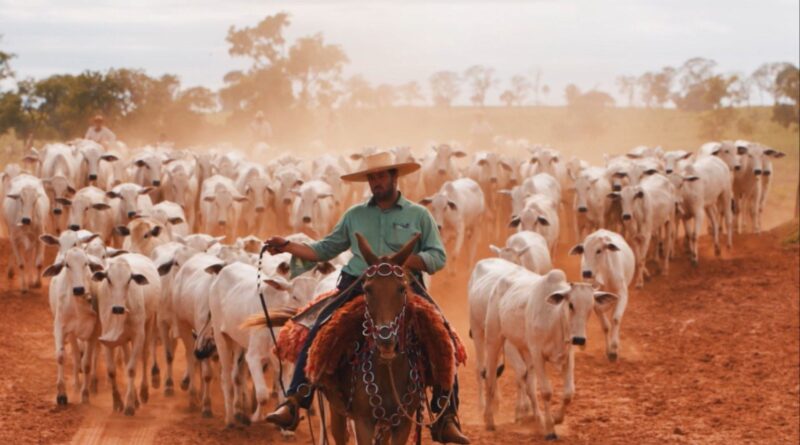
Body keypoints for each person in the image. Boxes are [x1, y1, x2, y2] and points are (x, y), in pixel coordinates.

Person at [263, 151, 470, 444]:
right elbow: (324, 249)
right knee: (321, 326)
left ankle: (445, 415)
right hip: (358, 283)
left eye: (381, 176)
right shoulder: (354, 215)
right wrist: (287, 246)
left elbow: (438, 257)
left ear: (394, 177)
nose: (376, 182)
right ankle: (297, 399)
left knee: (443, 334)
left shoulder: (418, 215)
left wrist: (406, 262)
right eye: (371, 177)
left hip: (404, 286)